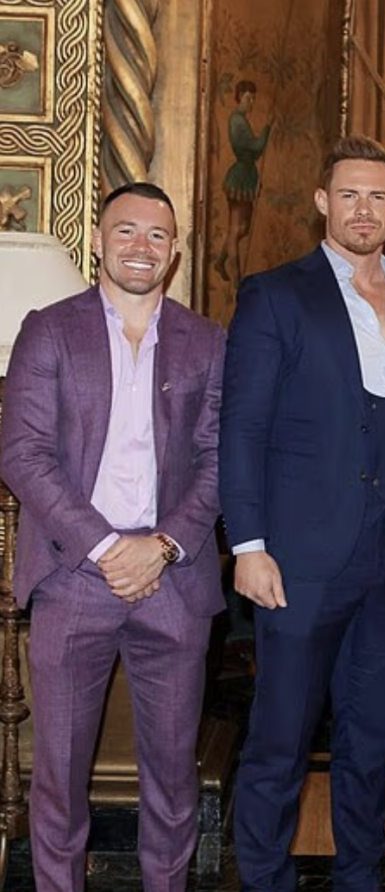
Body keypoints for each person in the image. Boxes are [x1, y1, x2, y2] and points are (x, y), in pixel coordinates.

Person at [220, 135, 385, 892]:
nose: (364, 209)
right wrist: (248, 545)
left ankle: (360, 875)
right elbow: (242, 428)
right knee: (279, 740)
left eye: (378, 197)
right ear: (323, 202)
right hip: (300, 560)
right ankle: (265, 880)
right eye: (350, 195)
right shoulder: (275, 294)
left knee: (371, 739)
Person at [0, 182, 225, 892]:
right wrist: (105, 547)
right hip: (72, 577)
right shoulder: (48, 330)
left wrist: (161, 546)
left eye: (157, 235)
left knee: (173, 779)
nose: (141, 246)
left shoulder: (208, 341)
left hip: (174, 580)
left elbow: (222, 459)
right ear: (97, 241)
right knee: (59, 780)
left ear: (175, 251)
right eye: (125, 230)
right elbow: (22, 454)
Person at [213, 79, 271, 284]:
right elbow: (254, 147)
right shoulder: (237, 121)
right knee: (236, 227)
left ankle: (220, 261)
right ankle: (238, 279)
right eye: (248, 98)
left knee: (242, 228)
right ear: (239, 97)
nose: (251, 103)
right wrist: (266, 130)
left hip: (247, 176)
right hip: (240, 177)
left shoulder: (241, 120)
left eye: (253, 99)